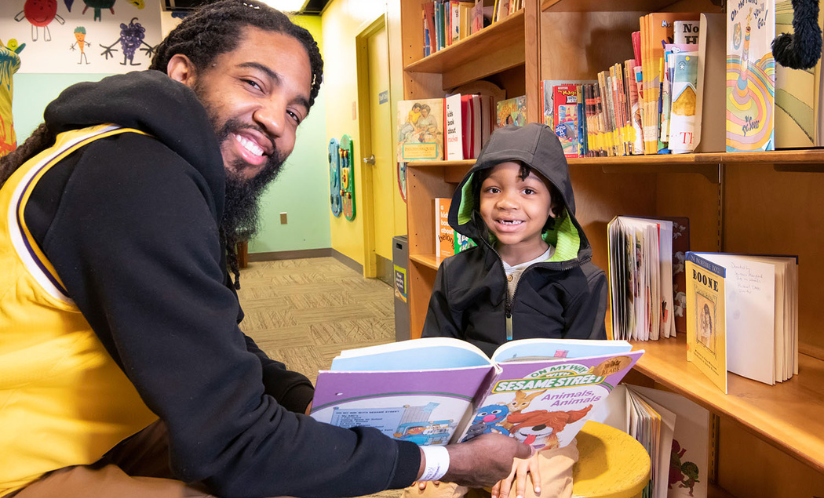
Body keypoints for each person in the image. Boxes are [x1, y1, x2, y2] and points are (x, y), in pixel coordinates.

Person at [0, 2, 532, 497]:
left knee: (297, 455)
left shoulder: (134, 155)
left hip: (105, 424)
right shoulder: (134, 176)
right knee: (277, 468)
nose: (276, 121)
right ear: (183, 75)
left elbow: (210, 339)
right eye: (254, 83)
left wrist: (305, 400)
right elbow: (236, 444)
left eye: (295, 112)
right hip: (22, 462)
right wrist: (444, 461)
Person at [416, 123, 608, 498]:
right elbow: (437, 360)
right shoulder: (455, 272)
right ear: (476, 197)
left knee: (529, 491)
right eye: (493, 189)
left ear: (555, 206)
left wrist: (529, 443)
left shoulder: (584, 281)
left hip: (542, 428)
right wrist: (439, 439)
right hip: (463, 424)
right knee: (426, 492)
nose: (507, 202)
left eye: (528, 190)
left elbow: (584, 382)